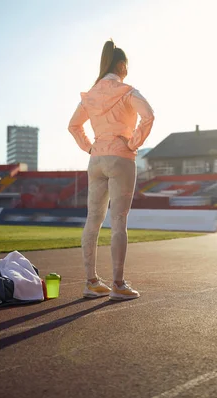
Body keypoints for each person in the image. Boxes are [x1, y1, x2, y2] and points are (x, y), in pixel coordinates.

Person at [68, 39, 155, 301]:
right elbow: (149, 116)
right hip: (120, 158)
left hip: (96, 159)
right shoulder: (127, 91)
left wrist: (89, 148)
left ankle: (91, 282)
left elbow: (74, 126)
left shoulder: (91, 95)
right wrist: (133, 142)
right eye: (126, 65)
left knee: (92, 221)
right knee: (118, 221)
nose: (127, 70)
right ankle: (118, 284)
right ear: (120, 64)